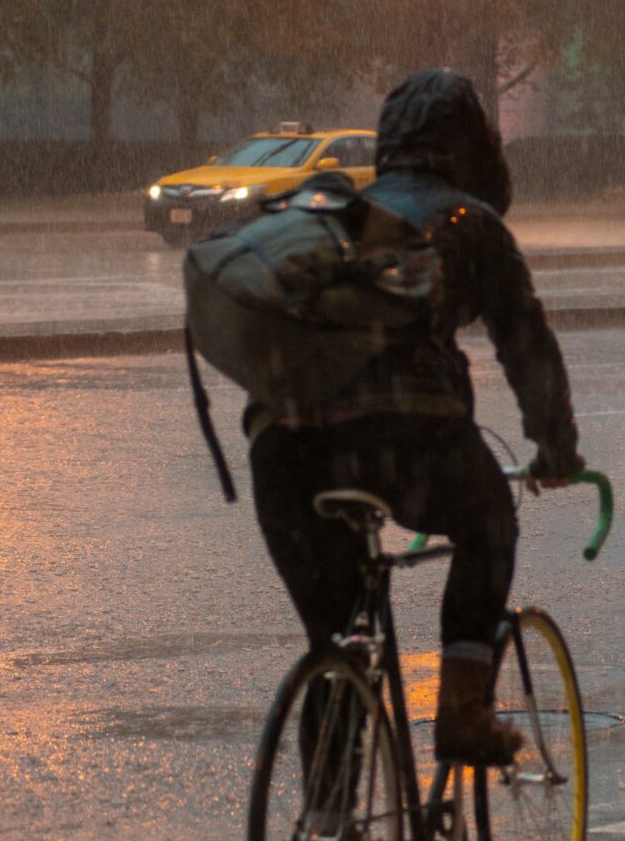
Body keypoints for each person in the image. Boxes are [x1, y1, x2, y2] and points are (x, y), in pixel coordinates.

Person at [246, 68, 585, 770]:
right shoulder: (471, 223)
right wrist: (555, 446)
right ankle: (462, 712)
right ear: (469, 144)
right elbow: (527, 347)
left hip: (281, 451)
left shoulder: (339, 215)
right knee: (489, 522)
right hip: (403, 438)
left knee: (335, 649)